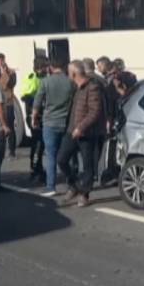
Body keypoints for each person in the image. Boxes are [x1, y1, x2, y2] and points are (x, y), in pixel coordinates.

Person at [57, 60, 107, 208]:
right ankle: (74, 185)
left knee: (88, 165)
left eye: (68, 72)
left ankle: (84, 194)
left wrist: (81, 127)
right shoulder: (76, 88)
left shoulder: (92, 87)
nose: (67, 75)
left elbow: (94, 112)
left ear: (74, 73)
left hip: (86, 133)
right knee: (61, 159)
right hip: (71, 130)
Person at [32, 56, 75, 197]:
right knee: (68, 155)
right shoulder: (71, 82)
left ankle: (51, 186)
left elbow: (37, 102)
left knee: (51, 155)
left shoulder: (45, 82)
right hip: (67, 122)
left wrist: (34, 118)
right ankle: (72, 184)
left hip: (50, 123)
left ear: (51, 67)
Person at [20, 57, 48, 182]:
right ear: (39, 68)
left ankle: (37, 169)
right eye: (45, 66)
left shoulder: (43, 78)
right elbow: (26, 97)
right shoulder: (33, 78)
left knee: (39, 144)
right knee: (37, 144)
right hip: (34, 116)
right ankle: (36, 170)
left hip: (39, 115)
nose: (47, 69)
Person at [0, 52, 20, 159]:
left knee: (9, 127)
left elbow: (10, 84)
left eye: (0, 61)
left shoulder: (11, 72)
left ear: (4, 61)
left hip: (8, 103)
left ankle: (12, 151)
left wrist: (4, 74)